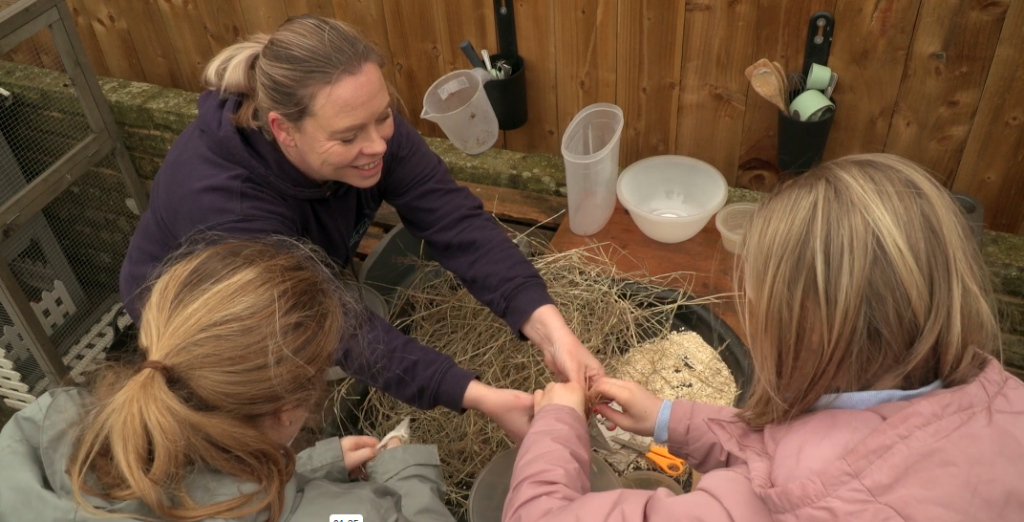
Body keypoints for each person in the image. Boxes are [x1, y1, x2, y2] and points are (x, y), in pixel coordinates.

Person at [118, 14, 601, 441]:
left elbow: (453, 219)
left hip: (292, 270)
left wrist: (552, 331)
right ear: (284, 129)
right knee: (247, 430)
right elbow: (331, 325)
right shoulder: (229, 207)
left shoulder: (360, 120)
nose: (378, 146)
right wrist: (476, 395)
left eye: (384, 116)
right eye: (348, 137)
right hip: (202, 321)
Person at [503, 154, 1024, 521]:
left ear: (804, 331)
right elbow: (814, 450)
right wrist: (667, 418)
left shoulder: (772, 505)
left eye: (758, 313)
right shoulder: (1005, 406)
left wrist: (557, 424)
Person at [0, 238, 455, 522]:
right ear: (287, 411)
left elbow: (192, 491)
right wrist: (405, 470)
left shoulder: (45, 431)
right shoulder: (363, 514)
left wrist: (305, 469)